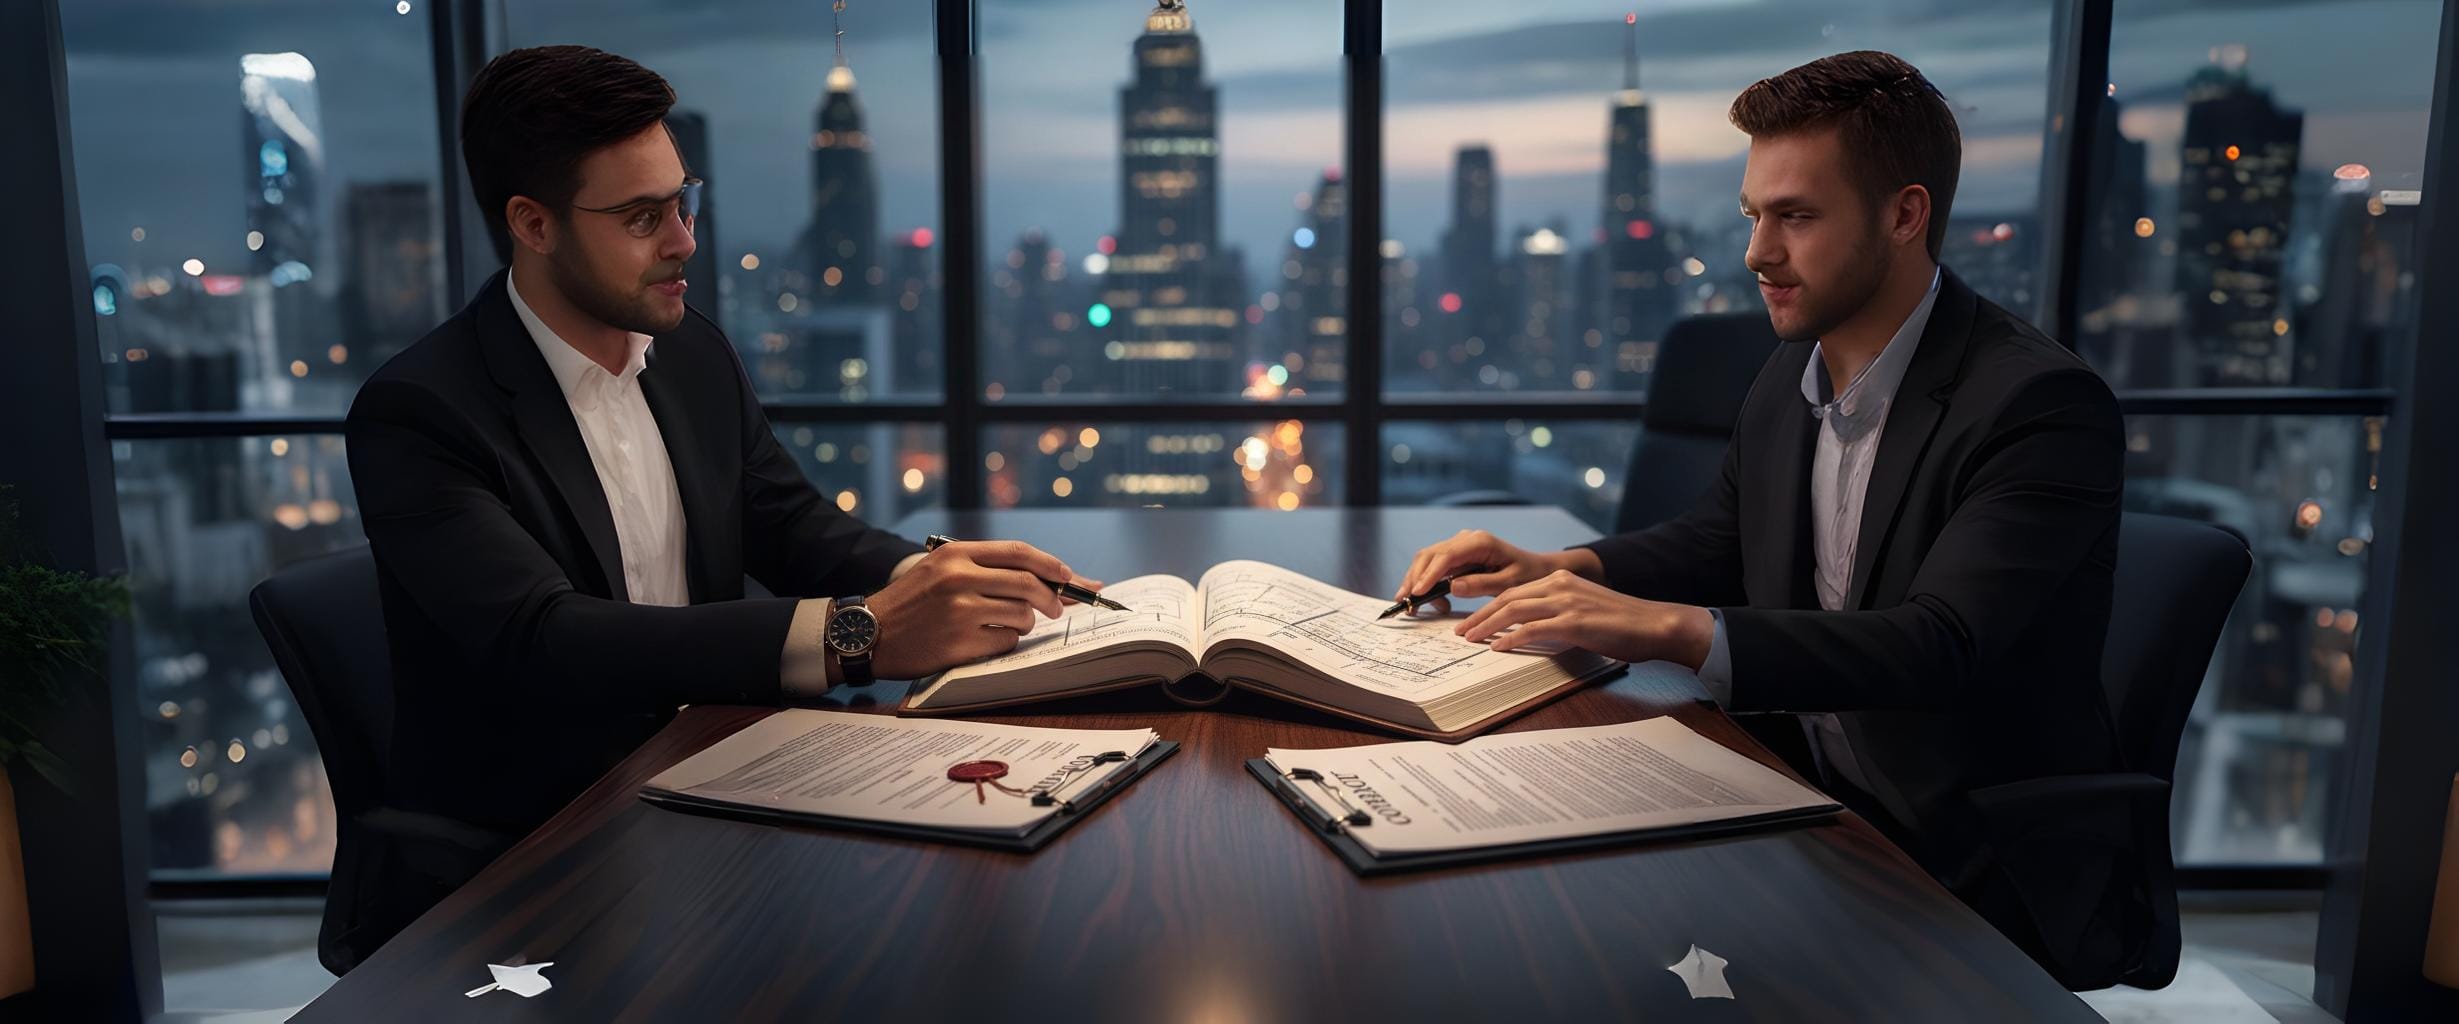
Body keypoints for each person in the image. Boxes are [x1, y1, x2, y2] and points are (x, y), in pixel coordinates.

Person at [1393, 51, 2141, 987]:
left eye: (1795, 216)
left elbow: (1937, 646)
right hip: (1808, 795)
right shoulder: (1794, 368)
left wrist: (1674, 630)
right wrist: (1560, 565)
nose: (1756, 252)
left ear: (1905, 215)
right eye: (1754, 215)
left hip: (1966, 848)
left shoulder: (2037, 406)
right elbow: (1719, 538)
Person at [340, 46, 1094, 968]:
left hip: (707, 788)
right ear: (532, 225)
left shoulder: (689, 352)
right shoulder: (421, 411)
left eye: (682, 200)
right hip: (532, 855)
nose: (685, 240)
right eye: (641, 217)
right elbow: (544, 638)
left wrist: (932, 575)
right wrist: (854, 636)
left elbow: (792, 525)